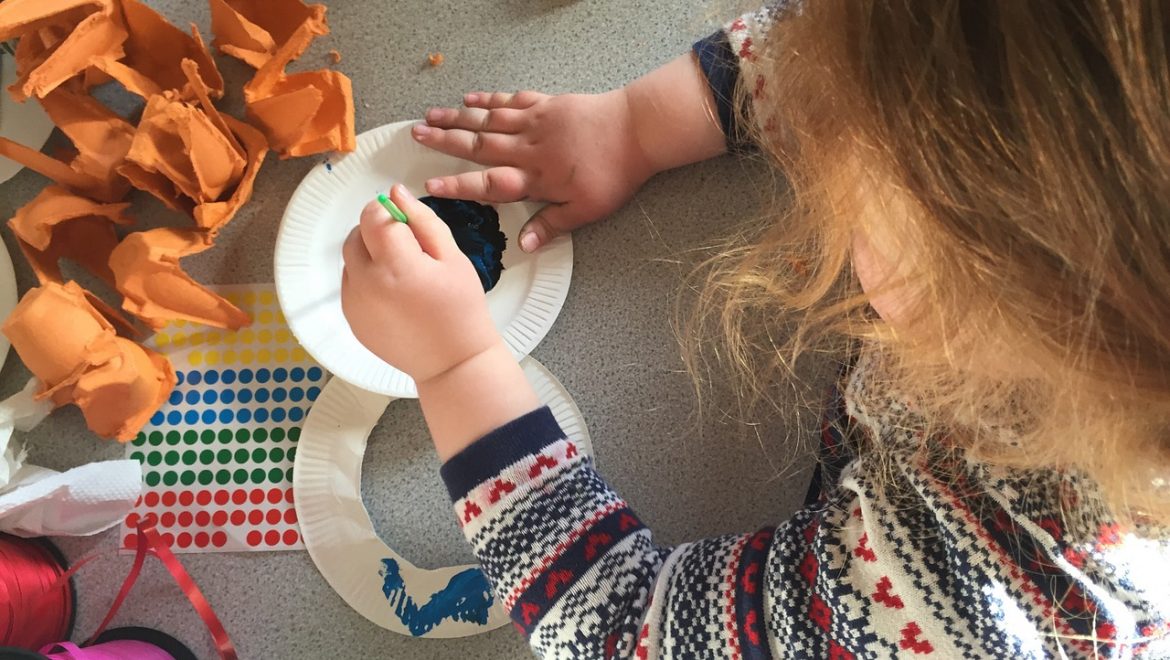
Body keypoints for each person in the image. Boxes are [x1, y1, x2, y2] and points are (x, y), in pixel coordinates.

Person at [340, 1, 1170, 657]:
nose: (827, 147)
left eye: (855, 170)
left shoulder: (999, 591)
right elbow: (862, 51)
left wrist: (456, 364)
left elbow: (622, 629)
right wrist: (636, 125)